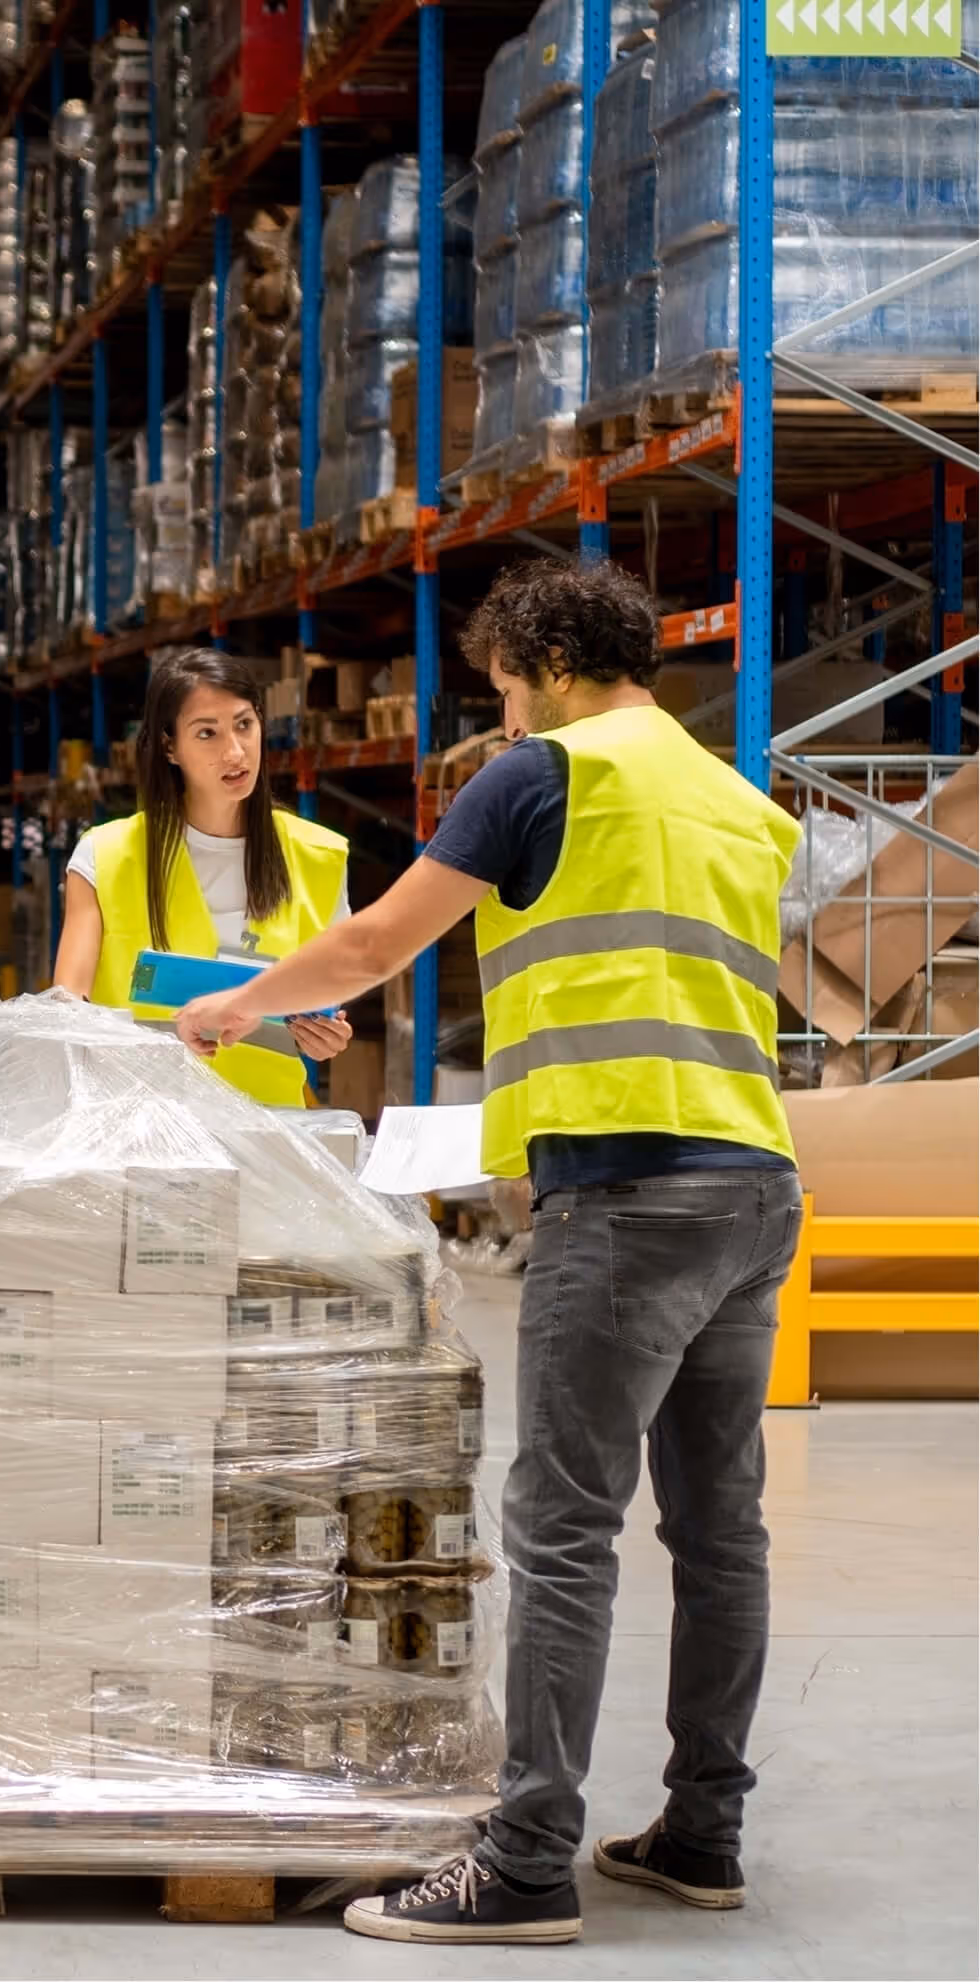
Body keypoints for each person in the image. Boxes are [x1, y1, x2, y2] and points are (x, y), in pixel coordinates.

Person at [172, 560, 803, 1946]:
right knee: (718, 1529)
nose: (503, 710)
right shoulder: (740, 802)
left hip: (626, 1195)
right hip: (753, 1187)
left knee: (563, 1530)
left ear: (545, 662)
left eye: (506, 684)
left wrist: (229, 1010)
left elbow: (379, 941)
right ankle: (705, 1829)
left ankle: (524, 1864)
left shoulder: (543, 777)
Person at [51, 646, 357, 1106]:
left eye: (244, 724)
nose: (234, 752)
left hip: (265, 1128)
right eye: (207, 733)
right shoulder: (105, 855)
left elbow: (325, 1001)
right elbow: (65, 1011)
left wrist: (326, 1036)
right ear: (170, 746)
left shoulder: (318, 857)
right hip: (141, 1129)